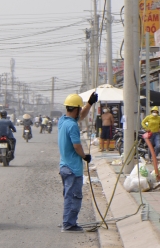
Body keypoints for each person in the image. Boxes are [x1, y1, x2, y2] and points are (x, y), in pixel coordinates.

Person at [58, 91, 97, 233]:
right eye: (79, 108)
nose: (81, 111)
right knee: (74, 197)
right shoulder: (73, 126)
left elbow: (80, 116)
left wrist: (89, 103)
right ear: (75, 109)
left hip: (64, 166)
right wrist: (85, 156)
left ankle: (67, 220)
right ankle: (68, 223)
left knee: (69, 195)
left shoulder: (63, 121)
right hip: (73, 168)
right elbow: (77, 146)